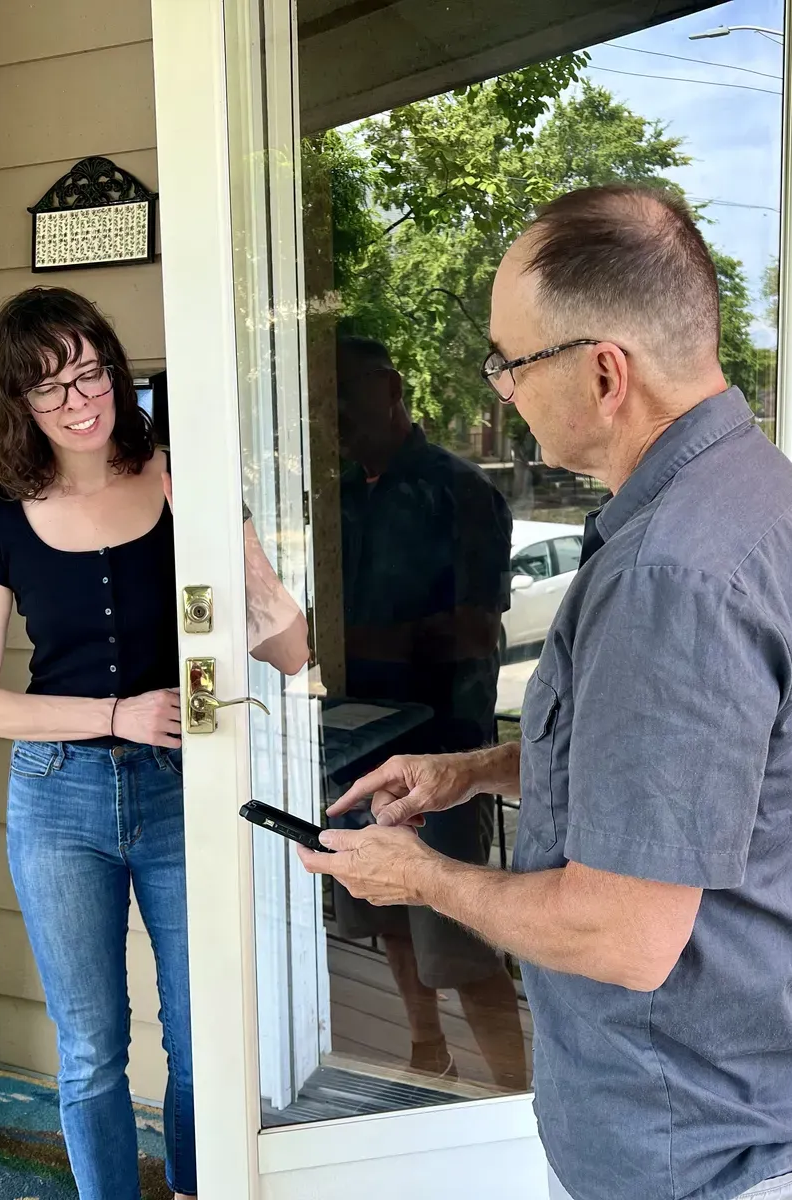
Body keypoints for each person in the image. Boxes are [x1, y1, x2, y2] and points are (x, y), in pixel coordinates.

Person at [301, 185, 792, 1200]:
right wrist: (476, 771)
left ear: (604, 372)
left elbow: (622, 934)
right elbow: (684, 783)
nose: (500, 390)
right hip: (725, 1114)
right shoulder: (755, 496)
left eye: (508, 363)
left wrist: (416, 878)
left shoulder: (674, 574)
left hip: (677, 1145)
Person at [0, 286, 308, 1199]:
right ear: (18, 405)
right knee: (93, 1046)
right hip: (57, 798)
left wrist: (227, 535)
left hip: (181, 786)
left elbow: (290, 649)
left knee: (197, 1034)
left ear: (115, 367)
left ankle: (195, 1188)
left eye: (92, 372)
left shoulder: (182, 479)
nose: (81, 400)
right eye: (52, 387)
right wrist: (114, 715)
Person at [329, 334, 528, 1090]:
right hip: (353, 747)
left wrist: (356, 640)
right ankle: (424, 1055)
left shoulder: (462, 490)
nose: (333, 418)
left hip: (444, 756)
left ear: (390, 388)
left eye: (343, 398)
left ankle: (515, 1094)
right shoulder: (339, 490)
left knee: (463, 938)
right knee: (387, 914)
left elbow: (478, 629)